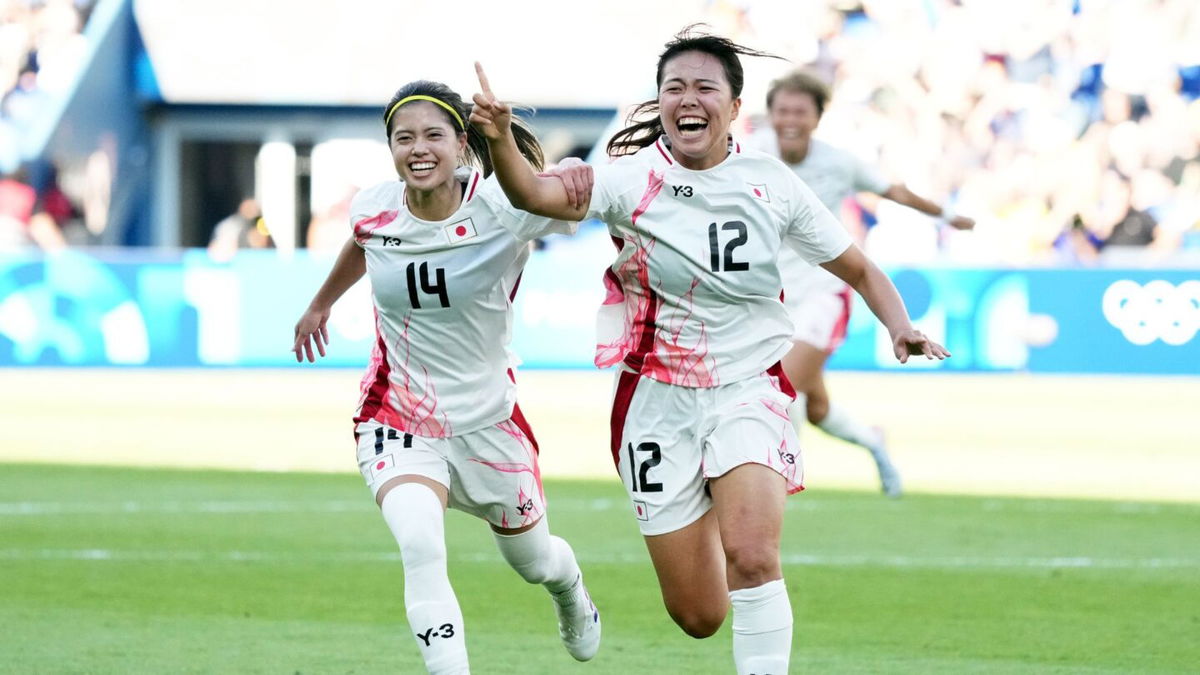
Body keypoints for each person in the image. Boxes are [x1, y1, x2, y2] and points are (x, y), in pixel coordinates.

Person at [470, 26, 949, 675]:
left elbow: (860, 268)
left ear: (732, 106)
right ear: (661, 102)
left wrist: (900, 325)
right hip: (655, 402)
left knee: (752, 556)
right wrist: (499, 139)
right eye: (674, 87)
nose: (687, 98)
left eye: (704, 87)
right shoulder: (626, 179)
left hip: (748, 385)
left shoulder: (769, 182)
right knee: (698, 615)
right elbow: (533, 193)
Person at [291, 80, 600, 675]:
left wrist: (568, 170)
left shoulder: (507, 210)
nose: (418, 148)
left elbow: (578, 201)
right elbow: (364, 244)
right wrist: (321, 303)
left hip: (488, 423)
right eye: (404, 138)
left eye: (434, 134)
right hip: (397, 415)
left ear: (463, 144)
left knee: (535, 561)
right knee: (421, 548)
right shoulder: (373, 206)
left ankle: (570, 592)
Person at [753, 69, 976, 497]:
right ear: (771, 115)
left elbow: (896, 192)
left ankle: (774, 489)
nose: (791, 120)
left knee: (782, 389)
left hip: (824, 293)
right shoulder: (751, 155)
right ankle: (874, 441)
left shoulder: (838, 161)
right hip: (773, 298)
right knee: (815, 408)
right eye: (782, 111)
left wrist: (946, 216)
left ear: (817, 118)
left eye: (800, 111)